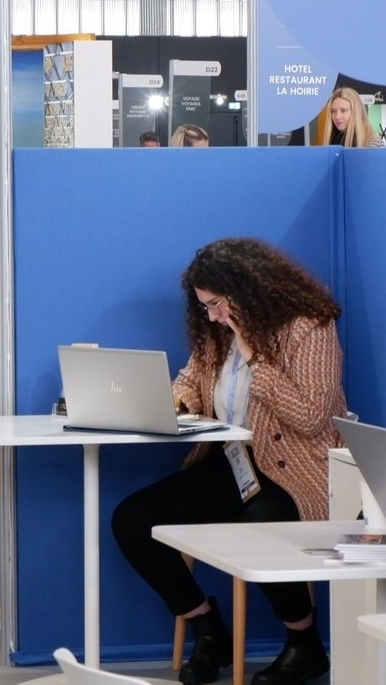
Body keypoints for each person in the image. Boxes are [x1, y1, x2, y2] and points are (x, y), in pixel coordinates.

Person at [111, 238, 346, 685]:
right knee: (133, 520)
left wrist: (256, 355)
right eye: (205, 307)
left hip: (293, 467)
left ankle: (304, 642)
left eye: (217, 304)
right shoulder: (217, 332)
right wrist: (176, 399)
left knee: (257, 530)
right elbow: (192, 380)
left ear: (250, 290)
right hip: (233, 462)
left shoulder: (310, 327)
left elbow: (313, 418)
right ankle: (207, 627)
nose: (213, 315)